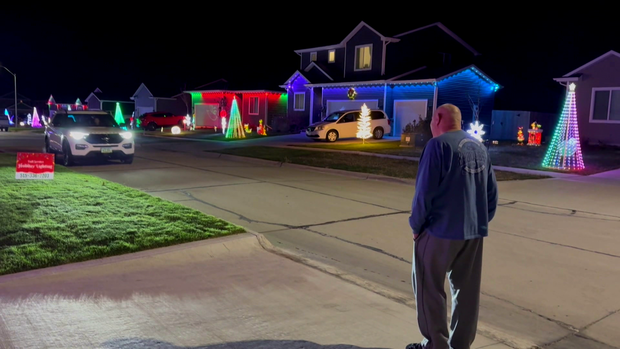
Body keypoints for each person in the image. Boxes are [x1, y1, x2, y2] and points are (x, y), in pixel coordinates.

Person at [406, 104, 498, 349]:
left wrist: (416, 225)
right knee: (466, 292)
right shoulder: (479, 147)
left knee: (429, 289)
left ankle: (436, 345)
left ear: (437, 118)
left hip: (439, 231)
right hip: (473, 232)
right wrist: (478, 221)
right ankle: (460, 345)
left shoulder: (437, 146)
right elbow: (491, 194)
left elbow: (424, 193)